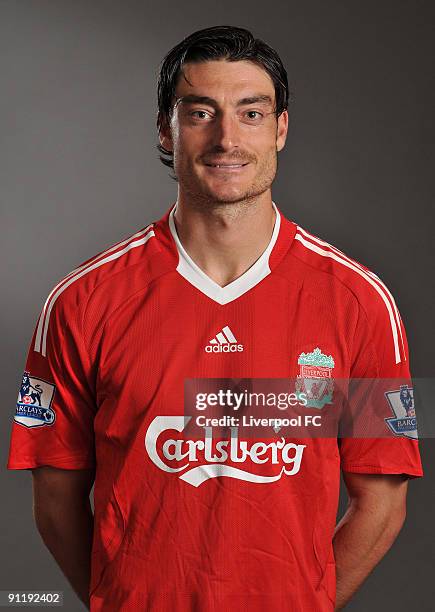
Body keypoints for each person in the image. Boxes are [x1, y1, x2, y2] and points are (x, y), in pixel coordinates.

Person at [7, 25, 423, 611]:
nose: (227, 138)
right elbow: (54, 496)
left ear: (280, 128)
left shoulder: (360, 302)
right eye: (201, 112)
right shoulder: (81, 301)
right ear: (164, 127)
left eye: (251, 113)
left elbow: (383, 499)